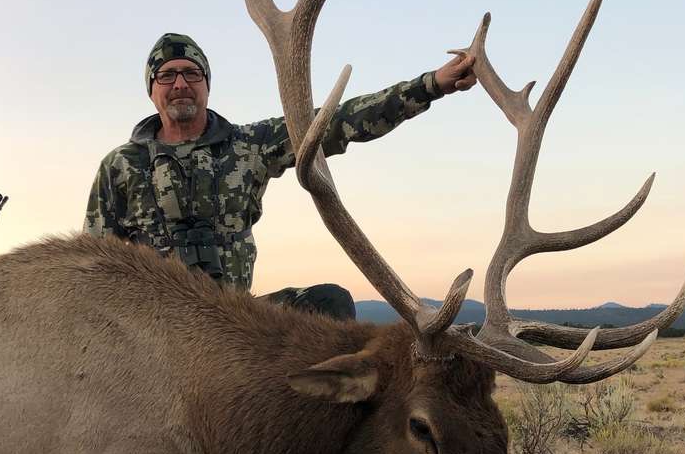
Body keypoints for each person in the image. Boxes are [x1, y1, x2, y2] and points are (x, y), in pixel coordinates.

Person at [84, 33, 476, 318]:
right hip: (153, 329)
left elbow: (337, 122)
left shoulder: (249, 144)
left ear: (206, 85)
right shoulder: (120, 165)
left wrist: (430, 86)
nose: (180, 84)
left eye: (191, 73)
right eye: (167, 76)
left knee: (329, 304)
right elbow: (93, 264)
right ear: (152, 89)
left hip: (234, 320)